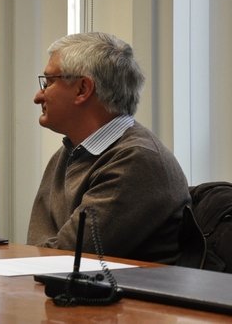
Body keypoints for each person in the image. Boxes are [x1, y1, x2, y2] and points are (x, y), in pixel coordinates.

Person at [27, 32, 190, 264]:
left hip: (131, 299)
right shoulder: (69, 152)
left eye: (49, 82)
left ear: (83, 89)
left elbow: (69, 256)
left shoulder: (137, 160)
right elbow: (39, 245)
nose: (38, 96)